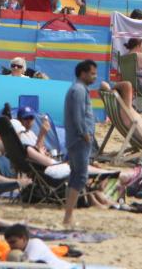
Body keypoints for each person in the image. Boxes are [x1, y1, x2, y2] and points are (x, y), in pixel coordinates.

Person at [62, 59, 97, 229]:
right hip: (79, 139)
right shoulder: (78, 90)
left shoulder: (79, 89)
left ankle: (69, 213)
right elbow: (78, 116)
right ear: (83, 73)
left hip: (77, 138)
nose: (94, 77)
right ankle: (68, 215)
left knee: (75, 175)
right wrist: (84, 133)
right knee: (80, 175)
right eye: (92, 73)